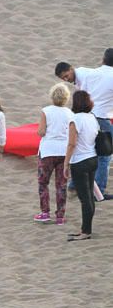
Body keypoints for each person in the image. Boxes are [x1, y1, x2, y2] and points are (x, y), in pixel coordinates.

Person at [55, 48, 113, 197]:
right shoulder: (90, 74)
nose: (66, 79)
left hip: (90, 117)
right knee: (105, 155)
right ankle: (98, 189)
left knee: (87, 149)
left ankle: (75, 184)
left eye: (66, 76)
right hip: (100, 118)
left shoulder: (91, 73)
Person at [64, 90, 99, 241]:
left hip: (80, 161)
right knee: (89, 196)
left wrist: (66, 163)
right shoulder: (92, 118)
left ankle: (86, 231)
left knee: (85, 198)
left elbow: (72, 143)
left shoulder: (75, 119)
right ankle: (86, 229)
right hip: (92, 158)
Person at [33, 84, 71, 225]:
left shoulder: (46, 111)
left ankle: (45, 212)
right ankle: (60, 216)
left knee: (43, 182)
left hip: (48, 150)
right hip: (64, 151)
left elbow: (41, 132)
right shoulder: (69, 113)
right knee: (61, 184)